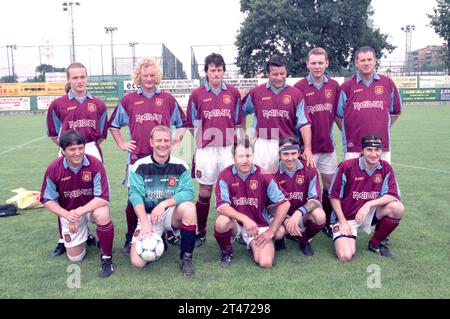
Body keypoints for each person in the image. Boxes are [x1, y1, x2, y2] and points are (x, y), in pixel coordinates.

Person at [108, 57, 187, 253]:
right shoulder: (129, 100)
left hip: (162, 159)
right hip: (137, 158)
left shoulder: (168, 99)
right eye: (145, 76)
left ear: (157, 76)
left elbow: (182, 124)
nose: (149, 79)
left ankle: (165, 233)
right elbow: (114, 124)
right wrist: (121, 143)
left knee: (163, 195)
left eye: (152, 75)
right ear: (139, 77)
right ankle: (130, 235)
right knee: (133, 199)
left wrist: (176, 142)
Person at [46, 62, 107, 257]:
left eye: (82, 77)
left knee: (92, 190)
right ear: (69, 80)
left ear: (86, 77)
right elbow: (54, 134)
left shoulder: (98, 104)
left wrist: (84, 148)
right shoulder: (57, 105)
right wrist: (68, 148)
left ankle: (88, 231)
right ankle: (63, 238)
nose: (79, 81)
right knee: (63, 194)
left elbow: (102, 134)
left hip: (90, 148)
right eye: (75, 78)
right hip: (66, 150)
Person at [40, 130, 115, 278]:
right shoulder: (54, 168)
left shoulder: (95, 164)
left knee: (103, 213)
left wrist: (78, 212)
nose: (77, 153)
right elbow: (47, 200)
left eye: (81, 148)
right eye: (72, 149)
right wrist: (68, 215)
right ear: (62, 150)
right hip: (68, 213)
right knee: (76, 258)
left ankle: (107, 258)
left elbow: (103, 198)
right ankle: (86, 235)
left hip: (89, 209)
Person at [186, 53, 242, 247]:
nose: (216, 74)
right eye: (212, 70)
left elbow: (238, 122)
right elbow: (191, 124)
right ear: (207, 72)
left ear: (224, 71)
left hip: (227, 148)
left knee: (232, 189)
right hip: (206, 150)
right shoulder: (197, 94)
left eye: (219, 70)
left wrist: (238, 146)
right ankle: (200, 231)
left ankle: (235, 228)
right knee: (205, 190)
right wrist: (203, 139)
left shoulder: (233, 93)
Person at [128, 126, 197, 276]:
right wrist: (145, 223)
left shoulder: (180, 165)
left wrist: (164, 204)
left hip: (170, 213)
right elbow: (135, 195)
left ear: (171, 143)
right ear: (151, 142)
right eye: (159, 140)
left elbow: (189, 192)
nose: (163, 144)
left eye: (166, 140)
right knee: (137, 262)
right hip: (148, 216)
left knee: (189, 208)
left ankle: (186, 258)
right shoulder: (139, 166)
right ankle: (161, 238)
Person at [213, 138, 290, 268]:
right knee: (221, 222)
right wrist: (244, 219)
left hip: (258, 225)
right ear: (233, 157)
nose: (245, 160)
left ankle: (264, 241)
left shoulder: (264, 175)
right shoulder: (225, 175)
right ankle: (226, 251)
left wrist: (271, 231)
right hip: (237, 223)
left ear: (253, 156)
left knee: (265, 263)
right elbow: (221, 206)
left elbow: (284, 203)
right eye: (241, 156)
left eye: (248, 155)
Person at [328, 134, 405, 261]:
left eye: (377, 150)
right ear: (362, 150)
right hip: (346, 217)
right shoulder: (347, 166)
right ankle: (340, 234)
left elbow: (393, 195)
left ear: (382, 151)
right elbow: (334, 196)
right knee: (345, 256)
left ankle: (375, 243)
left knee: (397, 208)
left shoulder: (385, 167)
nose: (374, 154)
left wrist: (368, 204)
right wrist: (342, 222)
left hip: (368, 214)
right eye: (369, 150)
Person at [294, 48, 341, 238]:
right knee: (304, 187)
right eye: (313, 63)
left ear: (327, 63)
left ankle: (328, 222)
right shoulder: (299, 87)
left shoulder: (334, 86)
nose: (317, 66)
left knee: (329, 186)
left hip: (327, 146)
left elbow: (339, 115)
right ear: (307, 64)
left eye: (320, 62)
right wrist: (300, 148)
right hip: (306, 149)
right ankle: (300, 222)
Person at [243, 55, 313, 174]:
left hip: (288, 144)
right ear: (268, 74)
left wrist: (307, 148)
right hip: (264, 144)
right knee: (263, 181)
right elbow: (241, 111)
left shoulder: (296, 94)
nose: (279, 78)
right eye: (275, 74)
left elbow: (304, 124)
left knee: (287, 183)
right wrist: (245, 135)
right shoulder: (256, 92)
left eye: (282, 73)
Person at [336, 46, 402, 164]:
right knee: (353, 181)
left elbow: (395, 112)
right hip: (354, 147)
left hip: (381, 145)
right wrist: (350, 131)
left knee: (381, 180)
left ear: (375, 61)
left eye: (369, 59)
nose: (366, 63)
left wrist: (382, 125)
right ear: (356, 63)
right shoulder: (346, 86)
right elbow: (338, 116)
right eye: (362, 60)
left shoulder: (387, 83)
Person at [274, 136, 326, 256]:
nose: (290, 158)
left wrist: (299, 212)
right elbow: (270, 204)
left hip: (301, 215)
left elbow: (315, 200)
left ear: (299, 153)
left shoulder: (310, 170)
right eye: (285, 154)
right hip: (281, 216)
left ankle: (304, 239)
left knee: (320, 216)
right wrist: (286, 219)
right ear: (279, 155)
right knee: (278, 233)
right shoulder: (273, 172)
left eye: (293, 153)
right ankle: (281, 237)